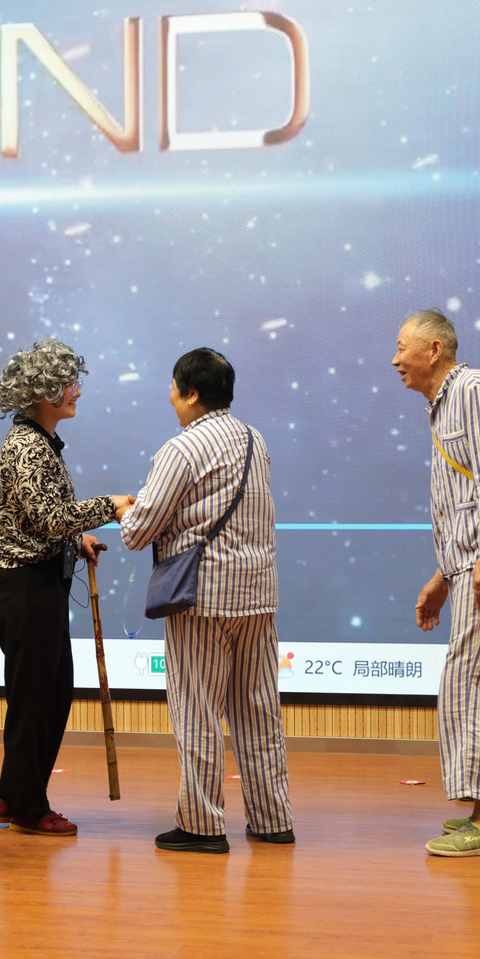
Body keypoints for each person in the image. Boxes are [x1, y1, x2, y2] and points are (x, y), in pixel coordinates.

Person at [120, 348, 293, 854]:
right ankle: (272, 819)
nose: (170, 396)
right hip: (257, 595)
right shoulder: (254, 439)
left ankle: (202, 826)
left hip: (201, 597)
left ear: (191, 393)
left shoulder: (182, 449)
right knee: (258, 711)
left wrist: (126, 510)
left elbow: (138, 531)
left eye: (174, 387)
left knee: (197, 709)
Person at [392, 310, 480, 857]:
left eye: (402, 347)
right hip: (471, 561)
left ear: (434, 349)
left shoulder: (473, 390)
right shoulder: (445, 402)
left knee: (470, 682)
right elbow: (465, 501)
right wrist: (443, 577)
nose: (395, 360)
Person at [0, 338, 135, 836]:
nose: (77, 392)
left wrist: (75, 538)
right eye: (69, 383)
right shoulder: (28, 444)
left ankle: (10, 795)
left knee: (46, 695)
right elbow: (49, 517)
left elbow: (42, 520)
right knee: (37, 701)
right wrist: (110, 506)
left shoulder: (39, 441)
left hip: (35, 582)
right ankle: (29, 808)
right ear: (42, 391)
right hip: (23, 584)